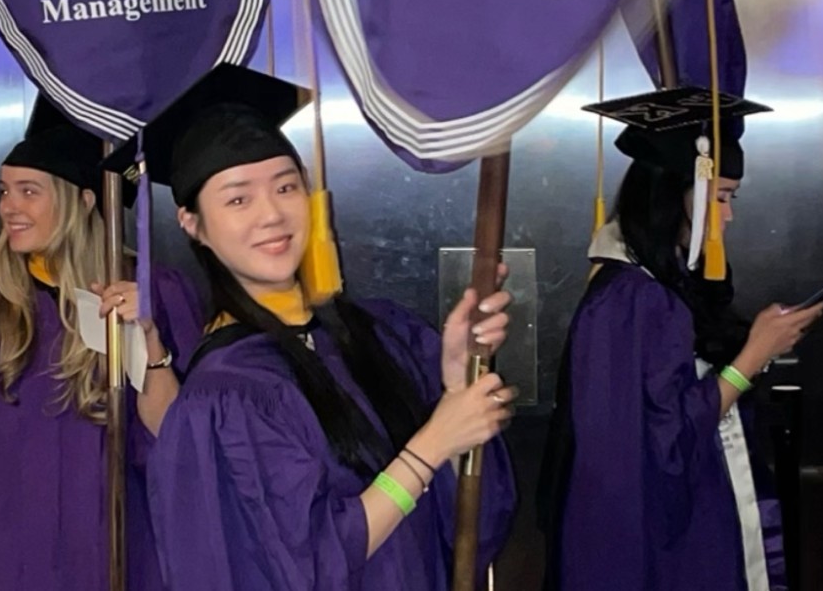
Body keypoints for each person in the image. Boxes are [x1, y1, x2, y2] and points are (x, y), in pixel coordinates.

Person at [99, 63, 518, 590]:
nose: (271, 214)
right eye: (237, 198)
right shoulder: (226, 395)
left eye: (286, 186)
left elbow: (471, 519)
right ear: (193, 224)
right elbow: (309, 563)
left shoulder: (381, 332)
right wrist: (433, 442)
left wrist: (455, 381)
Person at [0, 100, 204, 591]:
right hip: (9, 561)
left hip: (125, 558)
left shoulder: (154, 295)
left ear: (84, 201)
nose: (8, 207)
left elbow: (181, 442)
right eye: (4, 191)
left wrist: (148, 338)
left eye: (28, 191)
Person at [537, 90, 823, 591]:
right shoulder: (637, 299)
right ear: (675, 192)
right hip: (656, 536)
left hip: (658, 519)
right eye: (720, 197)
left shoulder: (645, 286)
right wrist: (754, 355)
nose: (728, 216)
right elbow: (664, 438)